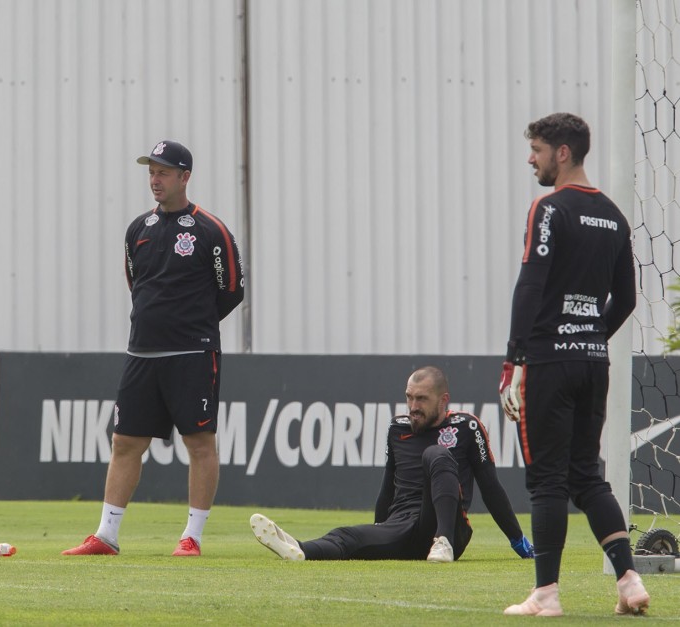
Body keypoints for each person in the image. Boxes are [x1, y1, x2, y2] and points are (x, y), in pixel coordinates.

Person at [63, 140, 245, 557]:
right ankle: (106, 535)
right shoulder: (138, 229)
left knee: (199, 443)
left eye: (163, 172)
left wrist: (191, 325)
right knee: (125, 443)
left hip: (192, 355)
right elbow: (136, 284)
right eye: (151, 171)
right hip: (141, 353)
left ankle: (191, 537)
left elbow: (231, 290)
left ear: (185, 177)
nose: (155, 179)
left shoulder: (210, 230)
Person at [499, 113, 648, 616]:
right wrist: (590, 337)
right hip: (593, 361)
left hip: (548, 361)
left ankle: (546, 594)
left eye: (537, 149)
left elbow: (531, 284)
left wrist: (514, 357)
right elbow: (626, 298)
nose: (531, 159)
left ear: (562, 153)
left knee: (547, 480)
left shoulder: (550, 209)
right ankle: (629, 581)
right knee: (587, 475)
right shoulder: (613, 215)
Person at [251, 366, 534, 563]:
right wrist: (378, 528)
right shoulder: (397, 428)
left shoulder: (467, 426)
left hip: (448, 527)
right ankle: (298, 548)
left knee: (436, 454)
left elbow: (491, 488)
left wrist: (518, 541)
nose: (413, 406)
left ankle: (443, 542)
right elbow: (388, 485)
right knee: (346, 535)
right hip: (403, 528)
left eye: (421, 399)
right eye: (409, 397)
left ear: (443, 400)